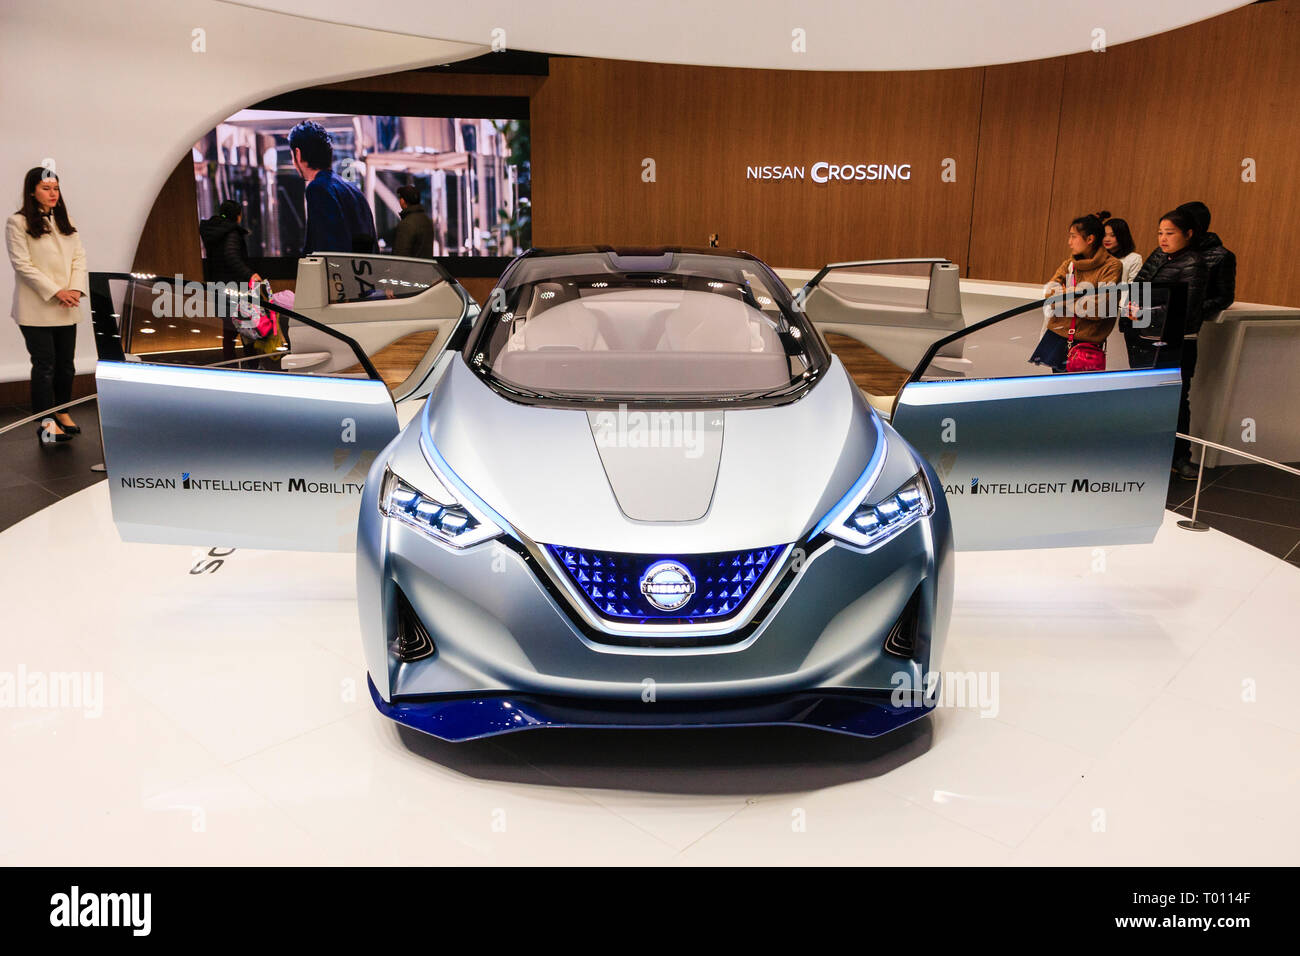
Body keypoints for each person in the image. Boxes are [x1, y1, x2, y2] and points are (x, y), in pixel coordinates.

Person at [5, 167, 87, 444]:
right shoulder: (17, 222)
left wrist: (74, 288)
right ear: (32, 191)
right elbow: (22, 265)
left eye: (56, 188)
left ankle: (62, 411)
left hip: (67, 305)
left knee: (67, 366)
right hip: (36, 308)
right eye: (46, 188)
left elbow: (79, 258)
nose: (53, 194)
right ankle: (45, 421)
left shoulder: (66, 220)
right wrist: (56, 291)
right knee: (45, 366)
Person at [1126, 209, 1207, 478]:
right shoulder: (1159, 255)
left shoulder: (1194, 262)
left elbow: (1186, 307)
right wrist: (1132, 306)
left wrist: (1144, 310)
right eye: (1160, 232)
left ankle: (1179, 457)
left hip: (1176, 341)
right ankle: (1146, 455)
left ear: (1188, 234)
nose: (1163, 238)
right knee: (1146, 397)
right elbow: (1137, 287)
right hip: (1146, 336)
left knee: (1175, 400)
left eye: (1170, 233)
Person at [1029, 212, 1122, 372]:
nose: (1069, 242)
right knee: (1057, 391)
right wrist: (1082, 295)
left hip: (1086, 343)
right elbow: (1049, 293)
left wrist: (1066, 294)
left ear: (1090, 239)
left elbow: (1098, 309)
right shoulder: (1070, 263)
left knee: (1081, 393)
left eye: (1073, 236)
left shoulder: (1112, 266)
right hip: (1058, 337)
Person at [288, 119, 377, 256]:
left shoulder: (318, 189)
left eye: (292, 156)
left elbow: (327, 248)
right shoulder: (353, 190)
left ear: (298, 154)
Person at [198, 199, 260, 362]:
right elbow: (232, 257)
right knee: (247, 330)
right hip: (235, 290)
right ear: (238, 216)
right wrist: (250, 274)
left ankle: (229, 364)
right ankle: (252, 366)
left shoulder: (214, 232)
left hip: (220, 288)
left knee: (229, 332)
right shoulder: (231, 233)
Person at [392, 184, 434, 258]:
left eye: (400, 197)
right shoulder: (427, 221)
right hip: (425, 268)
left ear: (403, 201)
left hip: (410, 269)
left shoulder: (406, 224)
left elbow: (399, 256)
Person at [1101, 216, 1143, 283]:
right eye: (1104, 235)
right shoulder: (1100, 257)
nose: (1107, 239)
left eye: (1112, 235)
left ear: (1122, 236)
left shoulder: (1134, 258)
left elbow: (1134, 287)